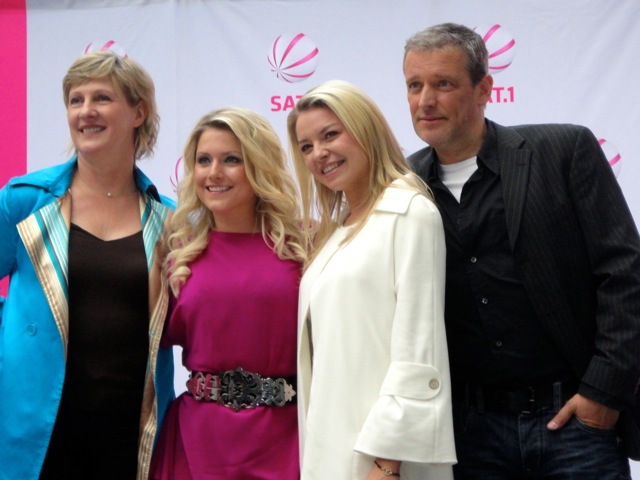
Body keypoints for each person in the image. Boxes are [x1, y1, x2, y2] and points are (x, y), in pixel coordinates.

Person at [404, 22, 640, 479]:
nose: (425, 101)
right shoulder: (403, 186)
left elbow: (624, 274)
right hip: (470, 436)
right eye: (415, 85)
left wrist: (603, 393)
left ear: (484, 89)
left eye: (443, 84)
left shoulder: (563, 150)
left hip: (576, 423)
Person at [0, 50, 175, 480]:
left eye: (102, 98)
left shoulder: (170, 220)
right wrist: (12, 341)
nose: (85, 111)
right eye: (75, 100)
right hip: (38, 431)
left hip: (131, 432)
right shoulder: (25, 201)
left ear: (138, 112)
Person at [287, 79, 456, 480]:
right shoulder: (336, 231)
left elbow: (419, 350)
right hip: (330, 446)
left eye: (330, 135)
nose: (318, 153)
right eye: (306, 146)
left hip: (384, 457)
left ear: (366, 129)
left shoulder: (410, 212)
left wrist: (386, 463)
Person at [149, 107, 306, 479]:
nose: (213, 173)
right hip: (196, 444)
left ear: (259, 165)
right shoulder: (175, 250)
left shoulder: (305, 244)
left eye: (231, 159)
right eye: (204, 160)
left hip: (288, 441)